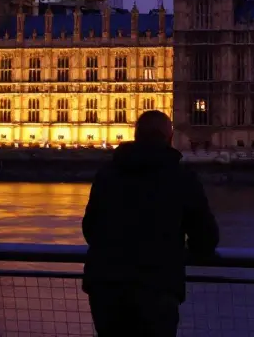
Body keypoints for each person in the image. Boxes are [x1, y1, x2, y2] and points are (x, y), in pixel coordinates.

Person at [81, 110, 219, 337]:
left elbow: (90, 229)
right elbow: (205, 238)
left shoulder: (107, 175)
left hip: (106, 289)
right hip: (157, 288)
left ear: (135, 136)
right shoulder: (182, 178)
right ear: (169, 138)